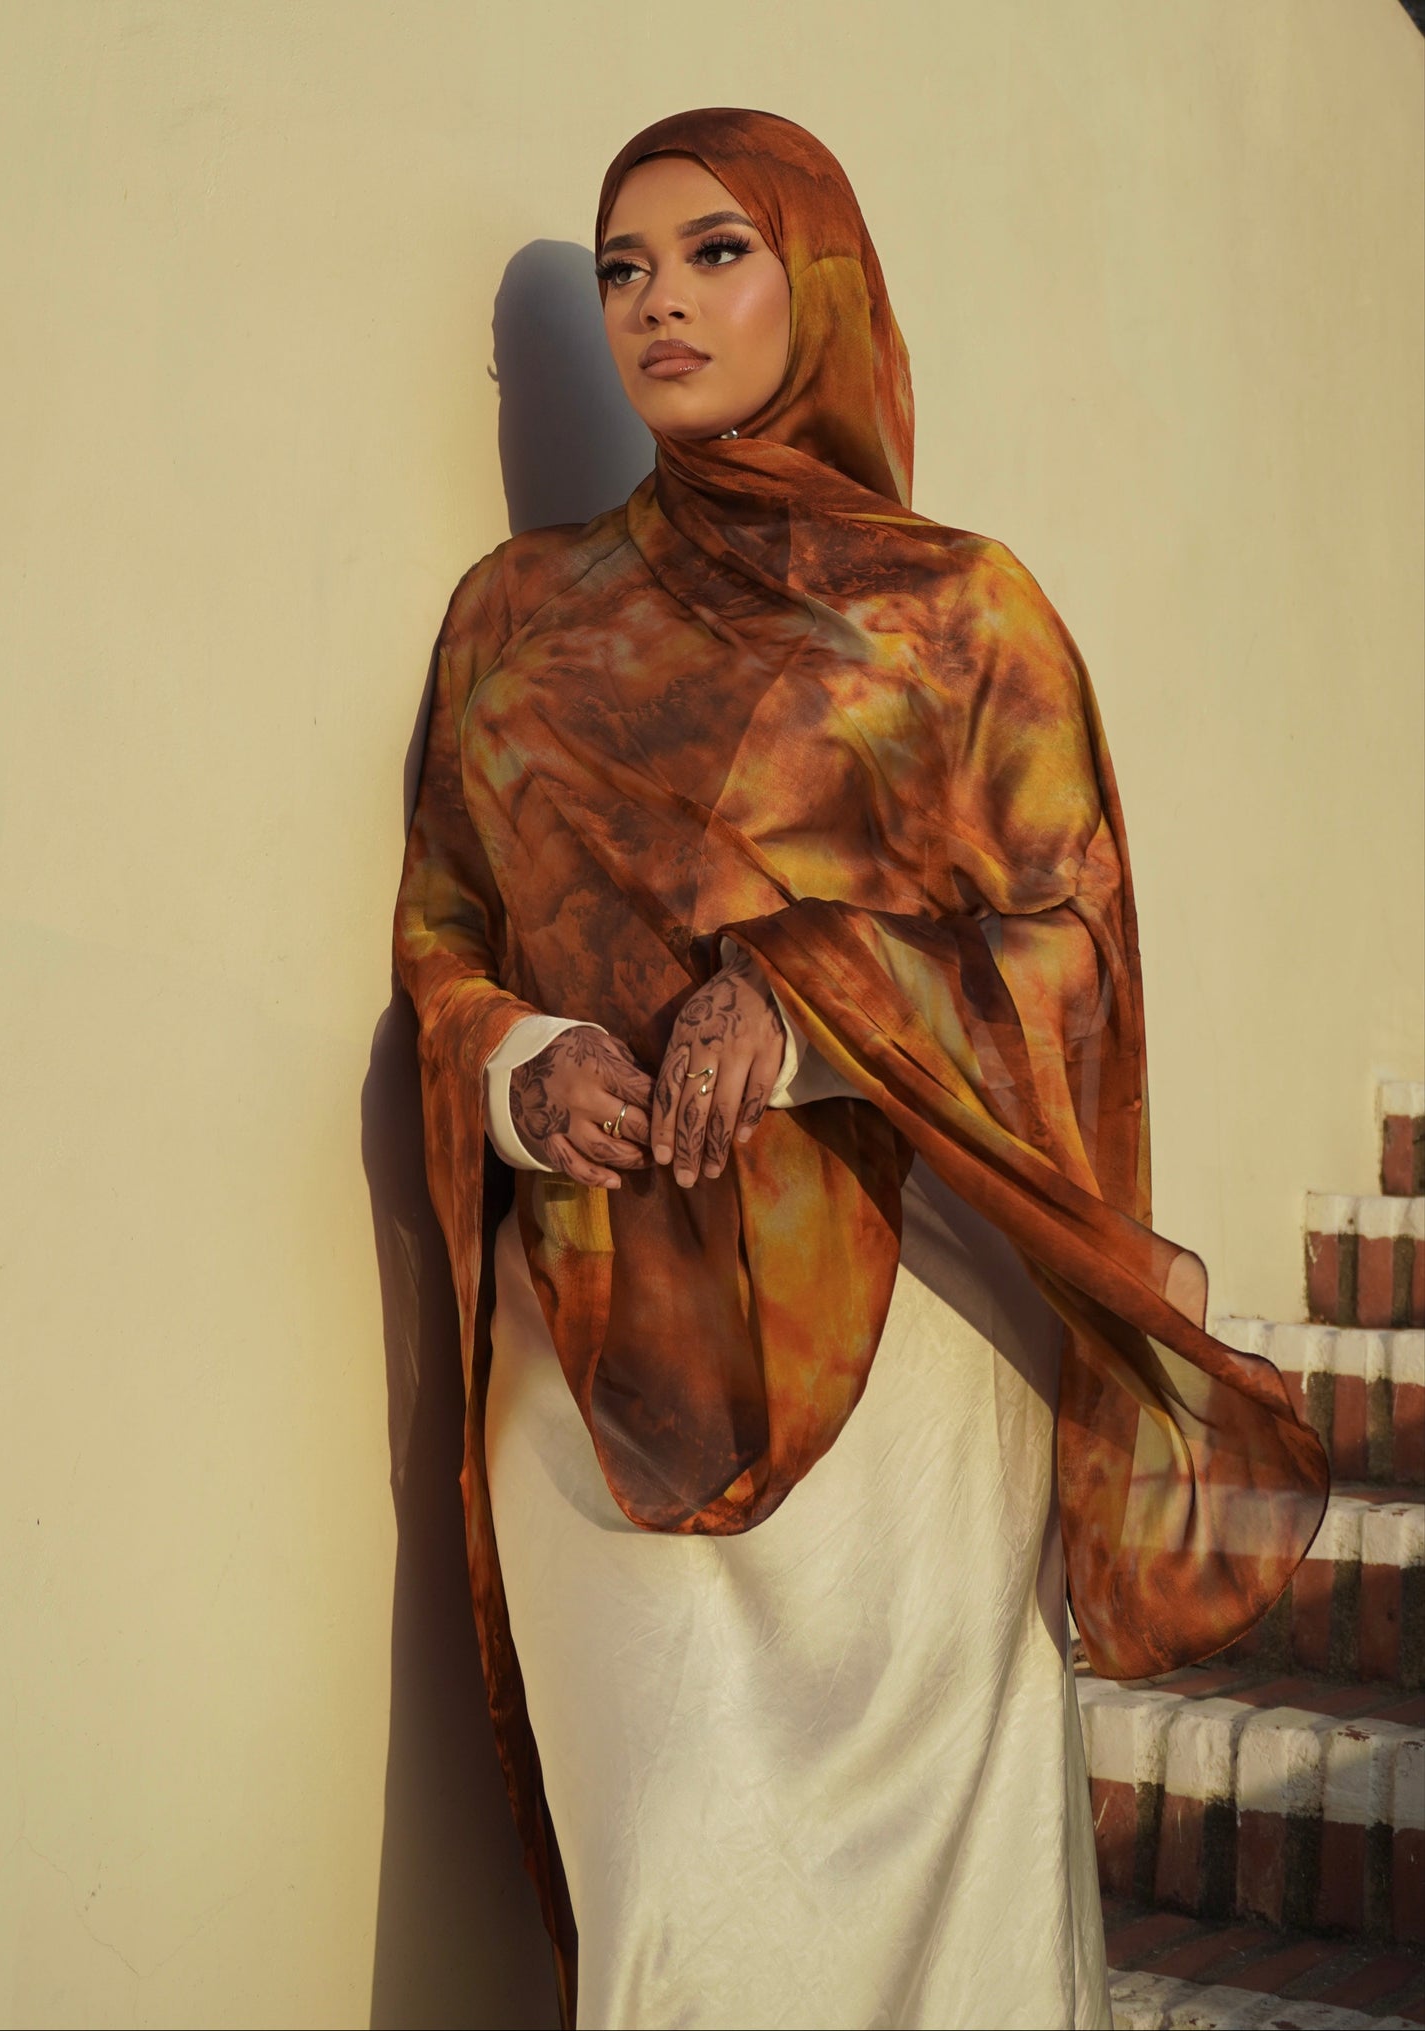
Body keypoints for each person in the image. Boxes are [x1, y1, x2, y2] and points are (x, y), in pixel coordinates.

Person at [393, 107, 1328, 2031]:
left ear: (816, 281)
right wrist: (516, 1066)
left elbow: (1068, 943)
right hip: (598, 1324)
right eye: (621, 268)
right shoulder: (515, 610)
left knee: (939, 1904)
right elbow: (441, 929)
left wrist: (808, 1003)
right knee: (668, 1891)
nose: (655, 302)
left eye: (713, 251)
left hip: (905, 1330)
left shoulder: (960, 611)